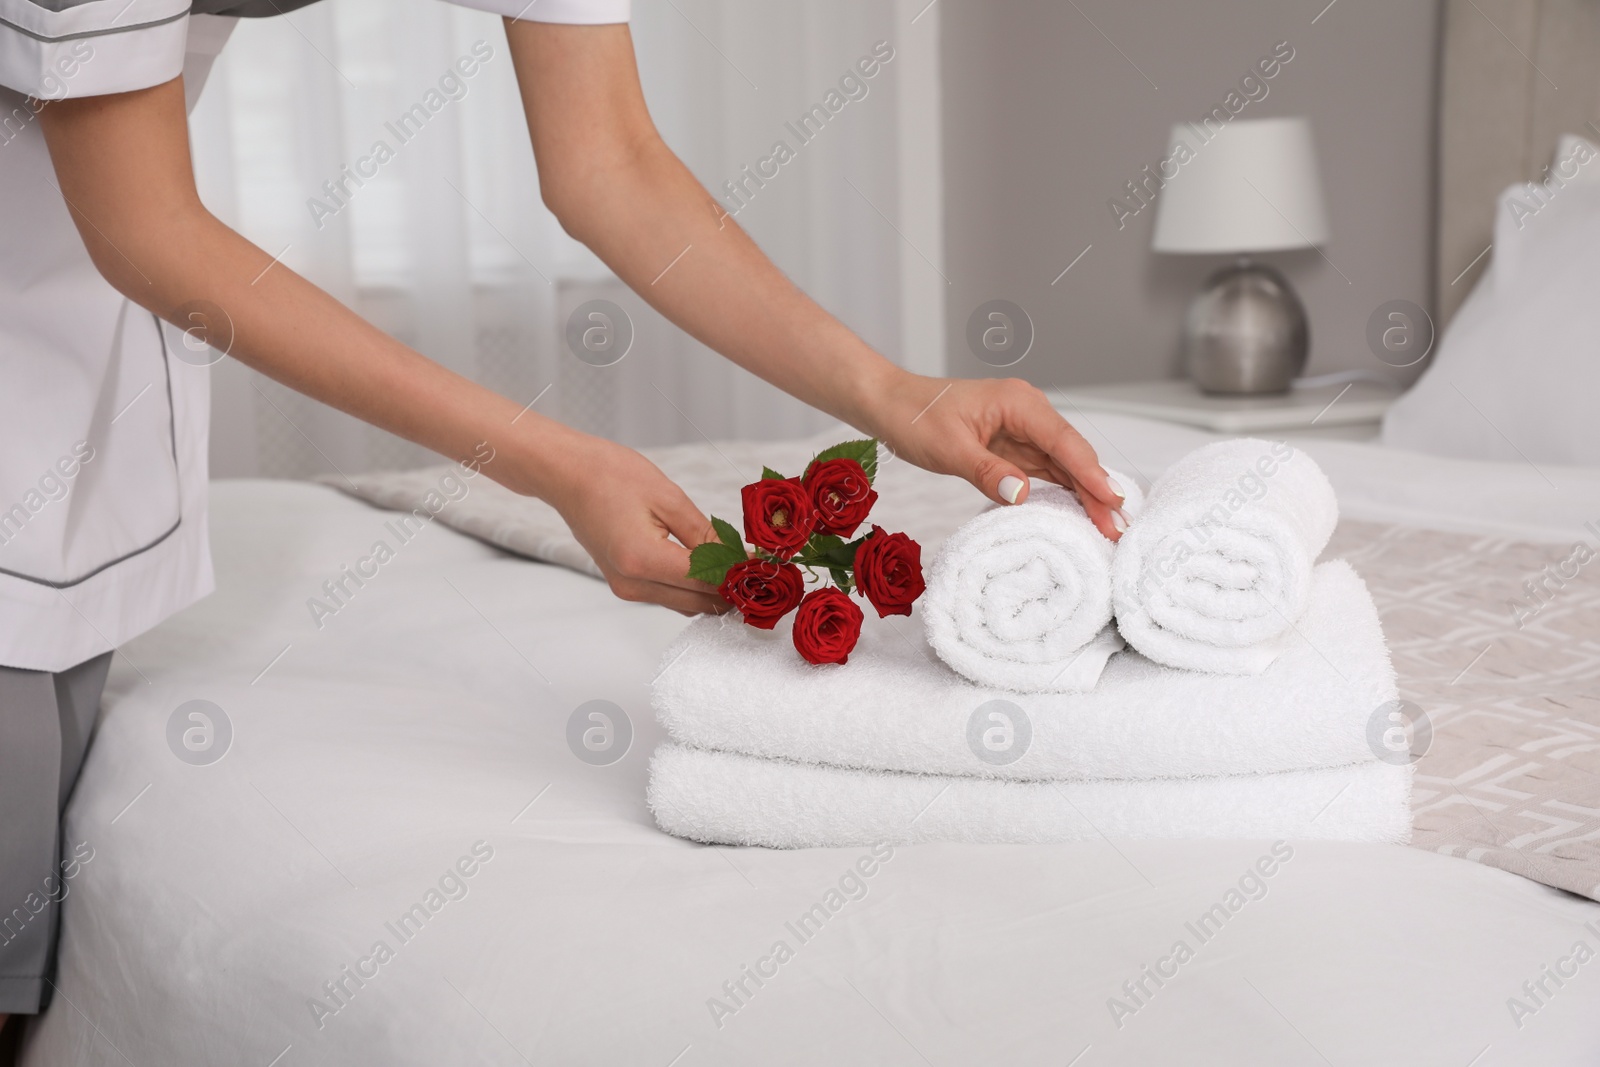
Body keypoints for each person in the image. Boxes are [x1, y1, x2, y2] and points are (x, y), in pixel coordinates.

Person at [0, 0, 1127, 1039]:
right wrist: (555, 462)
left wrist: (899, 396)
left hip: (62, 382)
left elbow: (611, 164)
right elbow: (146, 226)